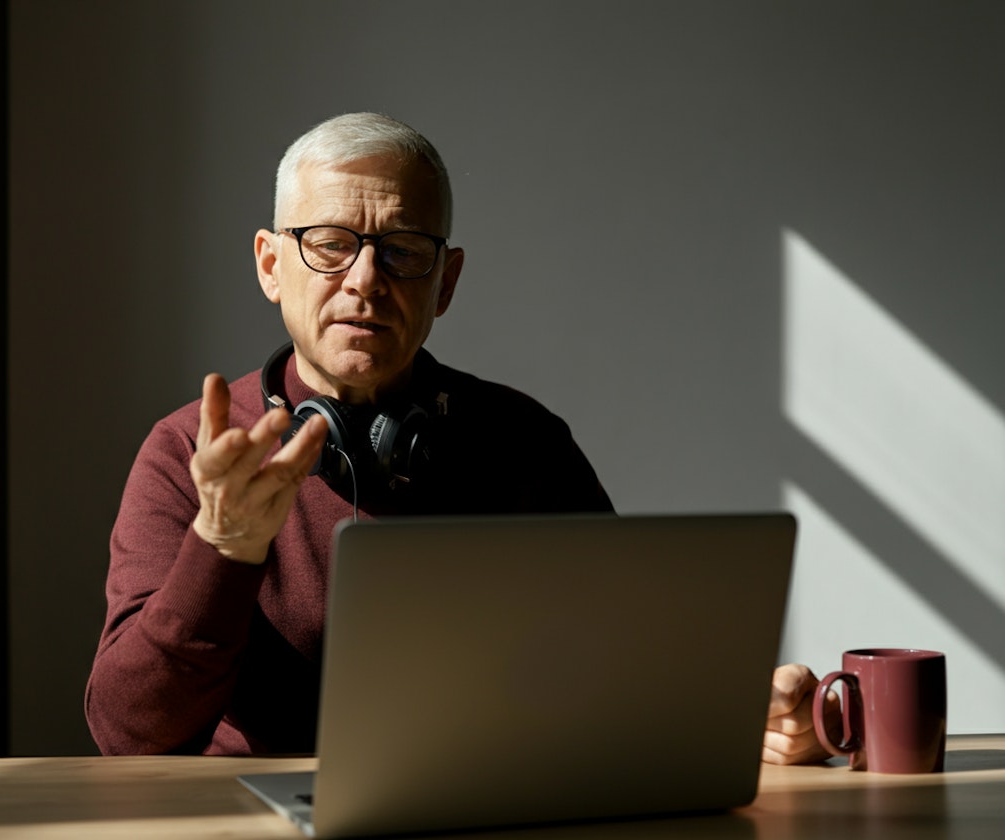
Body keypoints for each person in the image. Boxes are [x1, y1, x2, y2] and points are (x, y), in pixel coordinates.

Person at [85, 112, 836, 761]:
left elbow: (623, 671)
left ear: (445, 282)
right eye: (330, 243)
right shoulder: (187, 453)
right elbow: (127, 734)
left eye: (404, 250)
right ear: (271, 264)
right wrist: (223, 544)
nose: (365, 279)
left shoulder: (523, 442)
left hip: (487, 813)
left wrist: (753, 719)